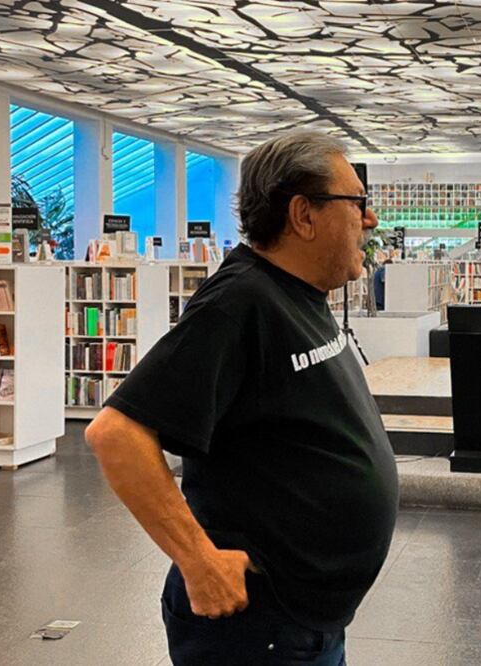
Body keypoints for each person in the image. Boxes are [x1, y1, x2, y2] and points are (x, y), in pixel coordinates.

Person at [86, 131, 398, 665]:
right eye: (358, 204)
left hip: (303, 622)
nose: (369, 221)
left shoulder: (300, 293)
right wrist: (199, 561)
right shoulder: (238, 303)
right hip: (258, 630)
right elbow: (116, 433)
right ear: (304, 215)